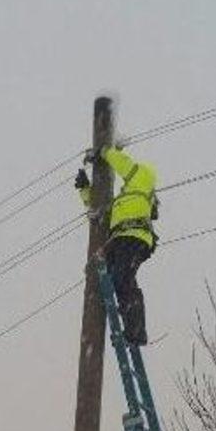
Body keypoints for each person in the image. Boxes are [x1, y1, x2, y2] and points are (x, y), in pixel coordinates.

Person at [75, 145, 158, 345]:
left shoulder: (143, 178)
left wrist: (104, 151)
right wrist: (85, 190)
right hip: (120, 239)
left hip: (134, 237)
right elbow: (99, 213)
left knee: (122, 280)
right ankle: (130, 327)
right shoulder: (122, 199)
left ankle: (136, 331)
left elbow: (124, 164)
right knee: (114, 281)